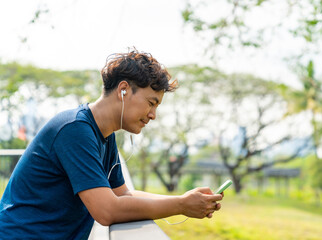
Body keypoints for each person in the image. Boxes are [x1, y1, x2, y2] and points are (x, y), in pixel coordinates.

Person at [0, 49, 223, 239]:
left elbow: (122, 194)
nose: (153, 115)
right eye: (151, 103)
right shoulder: (74, 129)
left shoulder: (104, 136)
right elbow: (106, 210)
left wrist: (184, 199)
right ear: (123, 90)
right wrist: (181, 206)